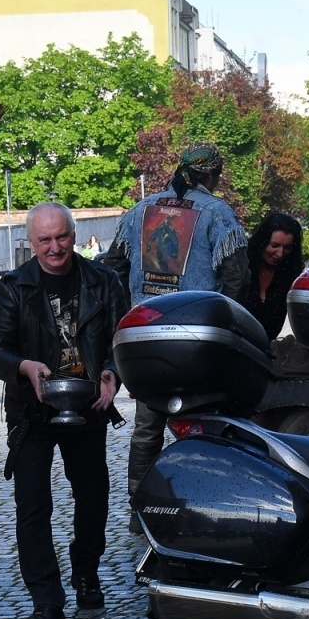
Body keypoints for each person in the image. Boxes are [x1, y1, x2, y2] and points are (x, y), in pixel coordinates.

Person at [0, 202, 129, 619]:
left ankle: (86, 570)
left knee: (93, 495)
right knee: (32, 506)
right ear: (31, 242)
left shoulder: (105, 281)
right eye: (44, 239)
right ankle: (46, 602)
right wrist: (24, 366)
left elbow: (124, 338)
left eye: (61, 237)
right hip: (32, 410)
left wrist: (113, 373)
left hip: (89, 406)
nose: (54, 247)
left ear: (74, 235)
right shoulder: (14, 287)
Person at [99, 143, 248, 526]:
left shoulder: (140, 210)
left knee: (147, 426)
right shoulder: (218, 213)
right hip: (194, 337)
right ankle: (201, 506)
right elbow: (237, 277)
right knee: (200, 422)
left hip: (146, 334)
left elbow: (112, 267)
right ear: (213, 176)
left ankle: (139, 509)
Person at [239, 212, 305, 341]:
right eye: (274, 246)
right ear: (262, 242)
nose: (280, 254)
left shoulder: (290, 274)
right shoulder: (242, 266)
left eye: (287, 247)